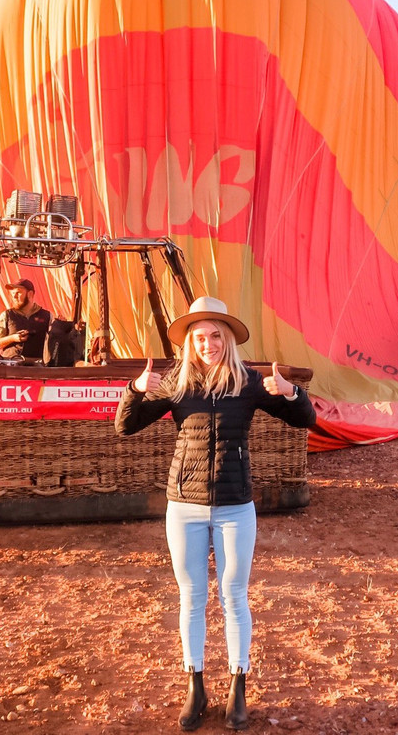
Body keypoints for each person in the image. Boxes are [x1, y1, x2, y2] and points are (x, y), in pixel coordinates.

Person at [115, 296, 315, 731]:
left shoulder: (247, 383)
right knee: (192, 598)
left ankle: (238, 687)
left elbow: (304, 420)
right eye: (201, 337)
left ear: (228, 340)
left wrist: (292, 393)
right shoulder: (177, 384)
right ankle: (196, 685)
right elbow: (126, 426)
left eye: (216, 336)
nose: (209, 344)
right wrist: (134, 391)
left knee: (234, 595)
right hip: (183, 506)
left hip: (235, 507)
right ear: (190, 343)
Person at [0, 278, 52, 360]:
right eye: (12, 293)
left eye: (18, 293)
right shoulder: (6, 315)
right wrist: (13, 338)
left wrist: (61, 326)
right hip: (10, 366)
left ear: (30, 294)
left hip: (37, 368)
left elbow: (54, 343)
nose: (14, 297)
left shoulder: (47, 316)